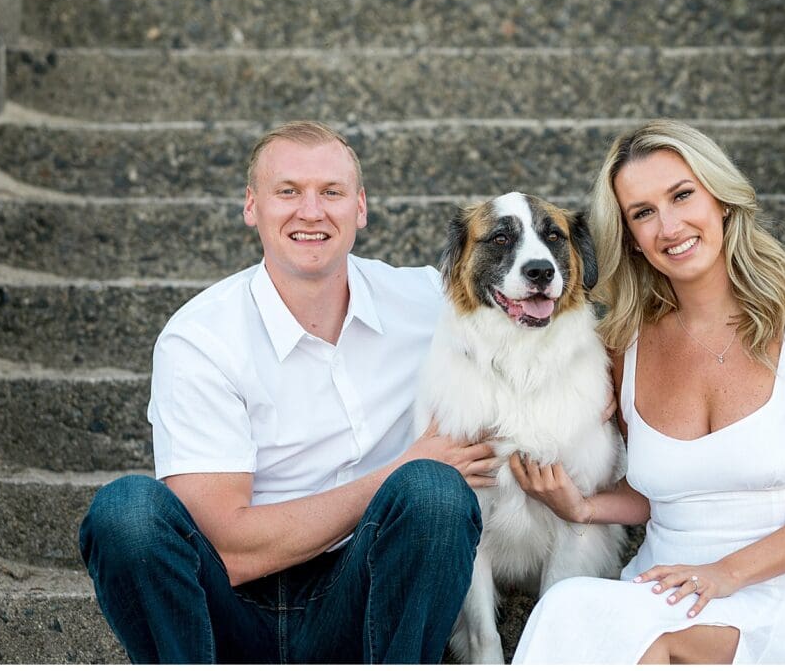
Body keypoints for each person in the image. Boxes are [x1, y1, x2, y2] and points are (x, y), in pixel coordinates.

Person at [78, 121, 499, 664]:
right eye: (288, 192)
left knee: (434, 494)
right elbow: (228, 547)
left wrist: (607, 391)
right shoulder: (202, 338)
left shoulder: (426, 302)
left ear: (361, 207)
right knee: (126, 513)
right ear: (252, 206)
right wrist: (393, 473)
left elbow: (538, 334)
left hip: (368, 591)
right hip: (227, 607)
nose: (311, 211)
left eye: (331, 192)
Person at [508, 119, 785, 664]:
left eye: (682, 196)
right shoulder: (622, 345)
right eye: (643, 213)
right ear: (630, 237)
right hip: (665, 589)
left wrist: (724, 574)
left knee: (655, 648)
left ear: (720, 199)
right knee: (566, 606)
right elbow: (669, 491)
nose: (669, 225)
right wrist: (582, 507)